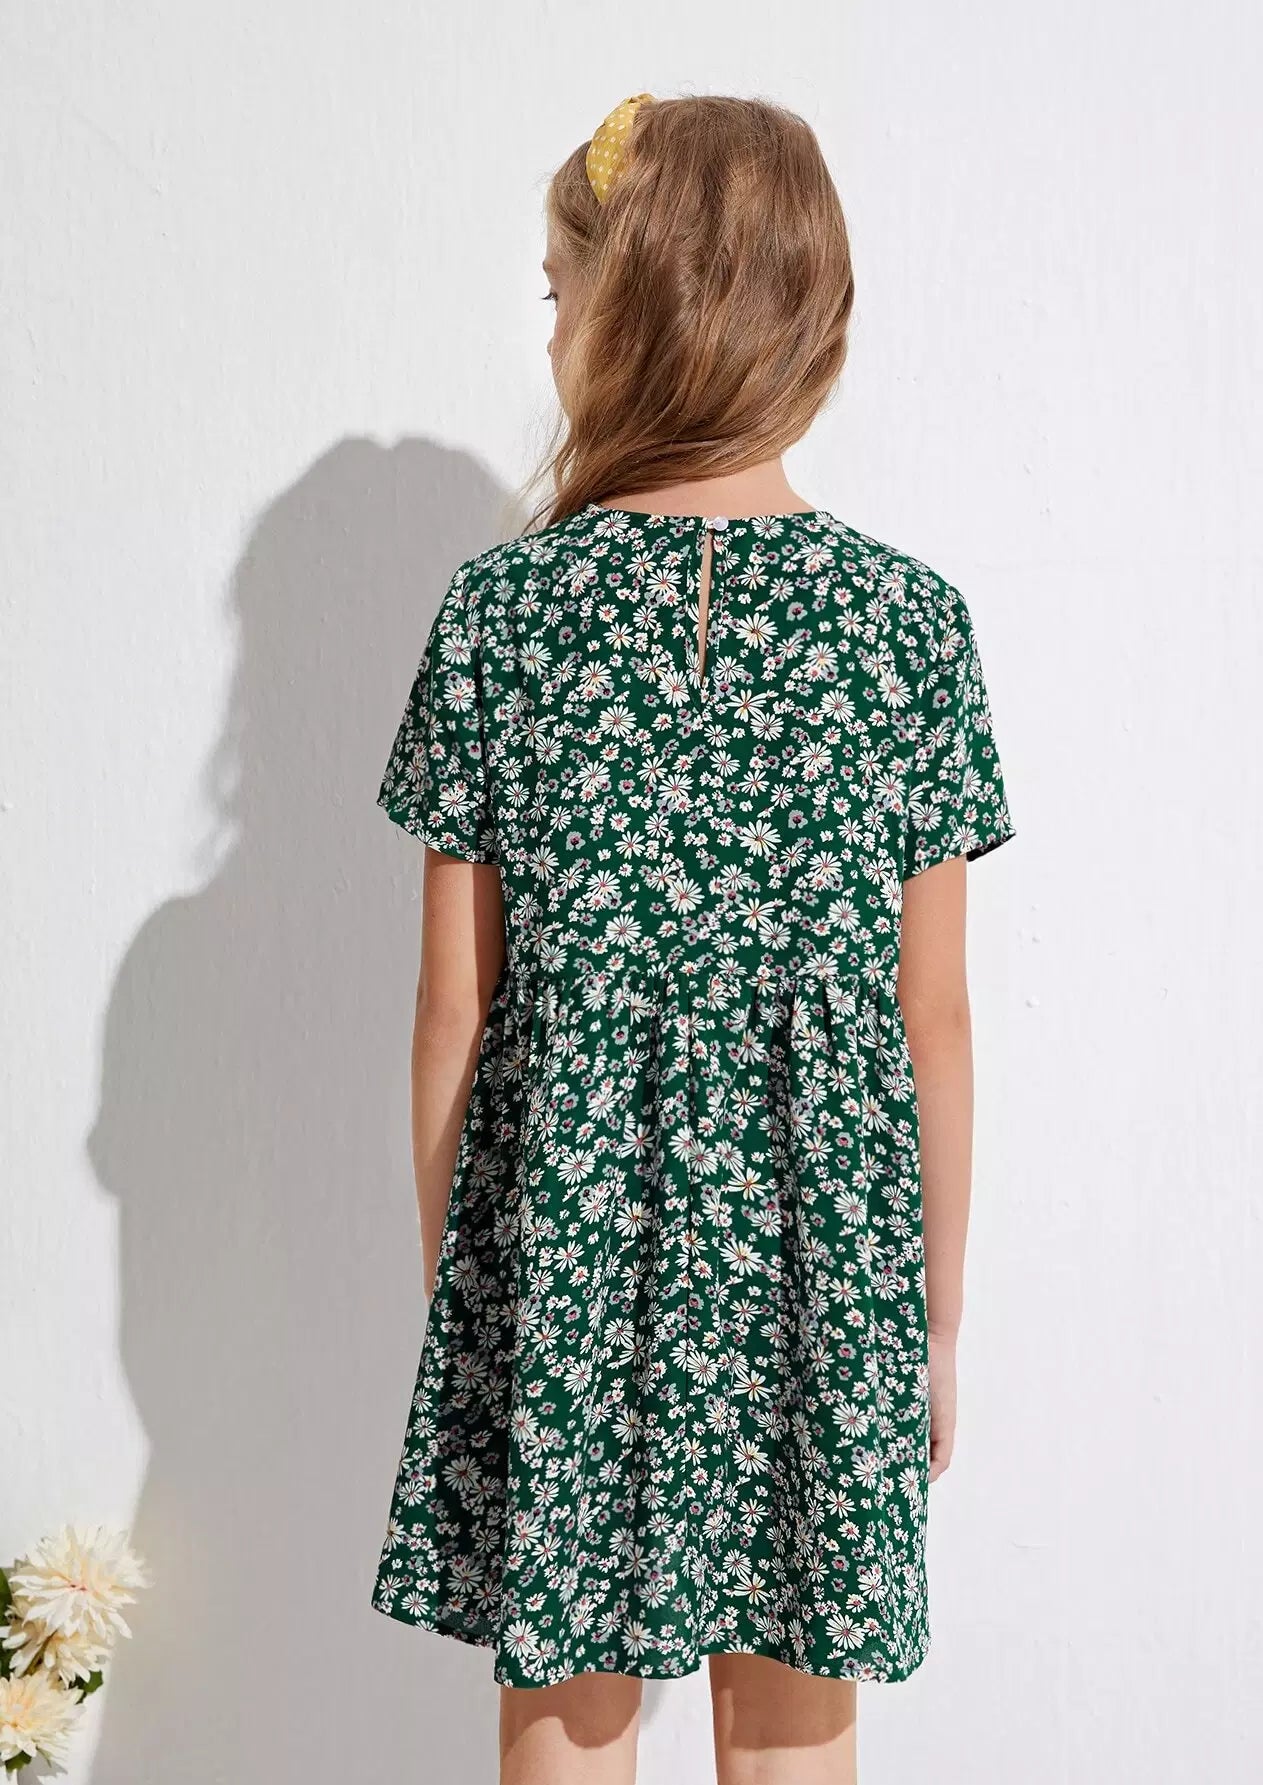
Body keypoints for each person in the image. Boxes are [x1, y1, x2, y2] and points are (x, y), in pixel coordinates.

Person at [369, 92, 1016, 1785]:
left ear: (637, 309)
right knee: (795, 1718)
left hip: (566, 1255)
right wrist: (933, 1323)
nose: (552, 331)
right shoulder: (908, 626)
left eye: (561, 290)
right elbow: (934, 1022)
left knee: (568, 1712)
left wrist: (474, 1302)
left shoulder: (502, 614)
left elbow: (452, 1015)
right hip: (830, 1261)